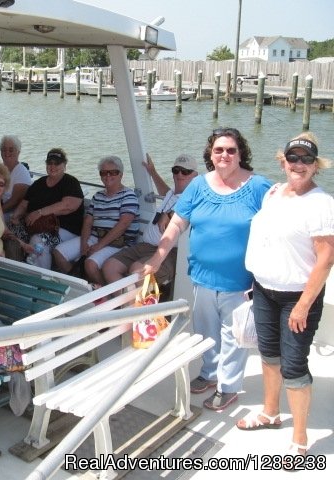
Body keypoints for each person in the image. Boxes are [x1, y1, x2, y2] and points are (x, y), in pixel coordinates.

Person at [143, 128, 272, 411]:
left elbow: (281, 221)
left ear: (241, 154)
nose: (224, 155)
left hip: (241, 282)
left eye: (230, 150)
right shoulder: (198, 186)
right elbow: (177, 223)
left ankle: (229, 386)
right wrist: (157, 256)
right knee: (205, 330)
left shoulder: (259, 186)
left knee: (233, 336)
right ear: (210, 154)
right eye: (218, 150)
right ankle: (210, 373)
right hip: (202, 277)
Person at [238, 133, 334, 460]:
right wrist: (255, 279)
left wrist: (305, 304)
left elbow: (326, 257)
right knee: (268, 356)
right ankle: (269, 412)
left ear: (316, 167)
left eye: (307, 160)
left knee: (293, 367)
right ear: (283, 162)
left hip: (298, 297)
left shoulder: (321, 203)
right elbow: (268, 240)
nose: (299, 165)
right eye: (293, 158)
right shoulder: (274, 193)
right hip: (264, 291)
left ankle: (300, 437)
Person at [102, 153, 198, 288]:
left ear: (195, 175)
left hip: (169, 252)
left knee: (137, 271)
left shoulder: (193, 198)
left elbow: (196, 204)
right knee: (109, 267)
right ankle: (127, 305)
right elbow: (165, 190)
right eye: (176, 170)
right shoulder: (172, 194)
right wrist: (152, 172)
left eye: (186, 171)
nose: (180, 175)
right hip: (145, 246)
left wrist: (169, 214)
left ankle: (136, 306)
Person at [53, 155, 139, 286]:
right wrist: (83, 243)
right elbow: (88, 222)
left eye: (113, 172)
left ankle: (106, 294)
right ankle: (80, 284)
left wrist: (100, 245)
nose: (108, 176)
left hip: (119, 243)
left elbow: (123, 225)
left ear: (121, 175)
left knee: (90, 264)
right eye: (103, 172)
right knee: (58, 252)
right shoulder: (98, 196)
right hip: (95, 237)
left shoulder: (129, 196)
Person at [9, 148, 84, 269]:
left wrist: (40, 213)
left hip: (64, 230)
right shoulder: (39, 183)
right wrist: (15, 217)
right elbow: (24, 204)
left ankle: (43, 278)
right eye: (50, 163)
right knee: (10, 233)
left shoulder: (71, 182)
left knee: (38, 240)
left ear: (64, 165)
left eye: (57, 163)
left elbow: (68, 205)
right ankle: (16, 269)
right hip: (36, 226)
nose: (52, 166)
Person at [0, 135, 31, 219]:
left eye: (11, 149)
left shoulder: (21, 172)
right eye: (4, 149)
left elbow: (15, 201)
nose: (7, 152)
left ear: (18, 152)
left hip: (11, 214)